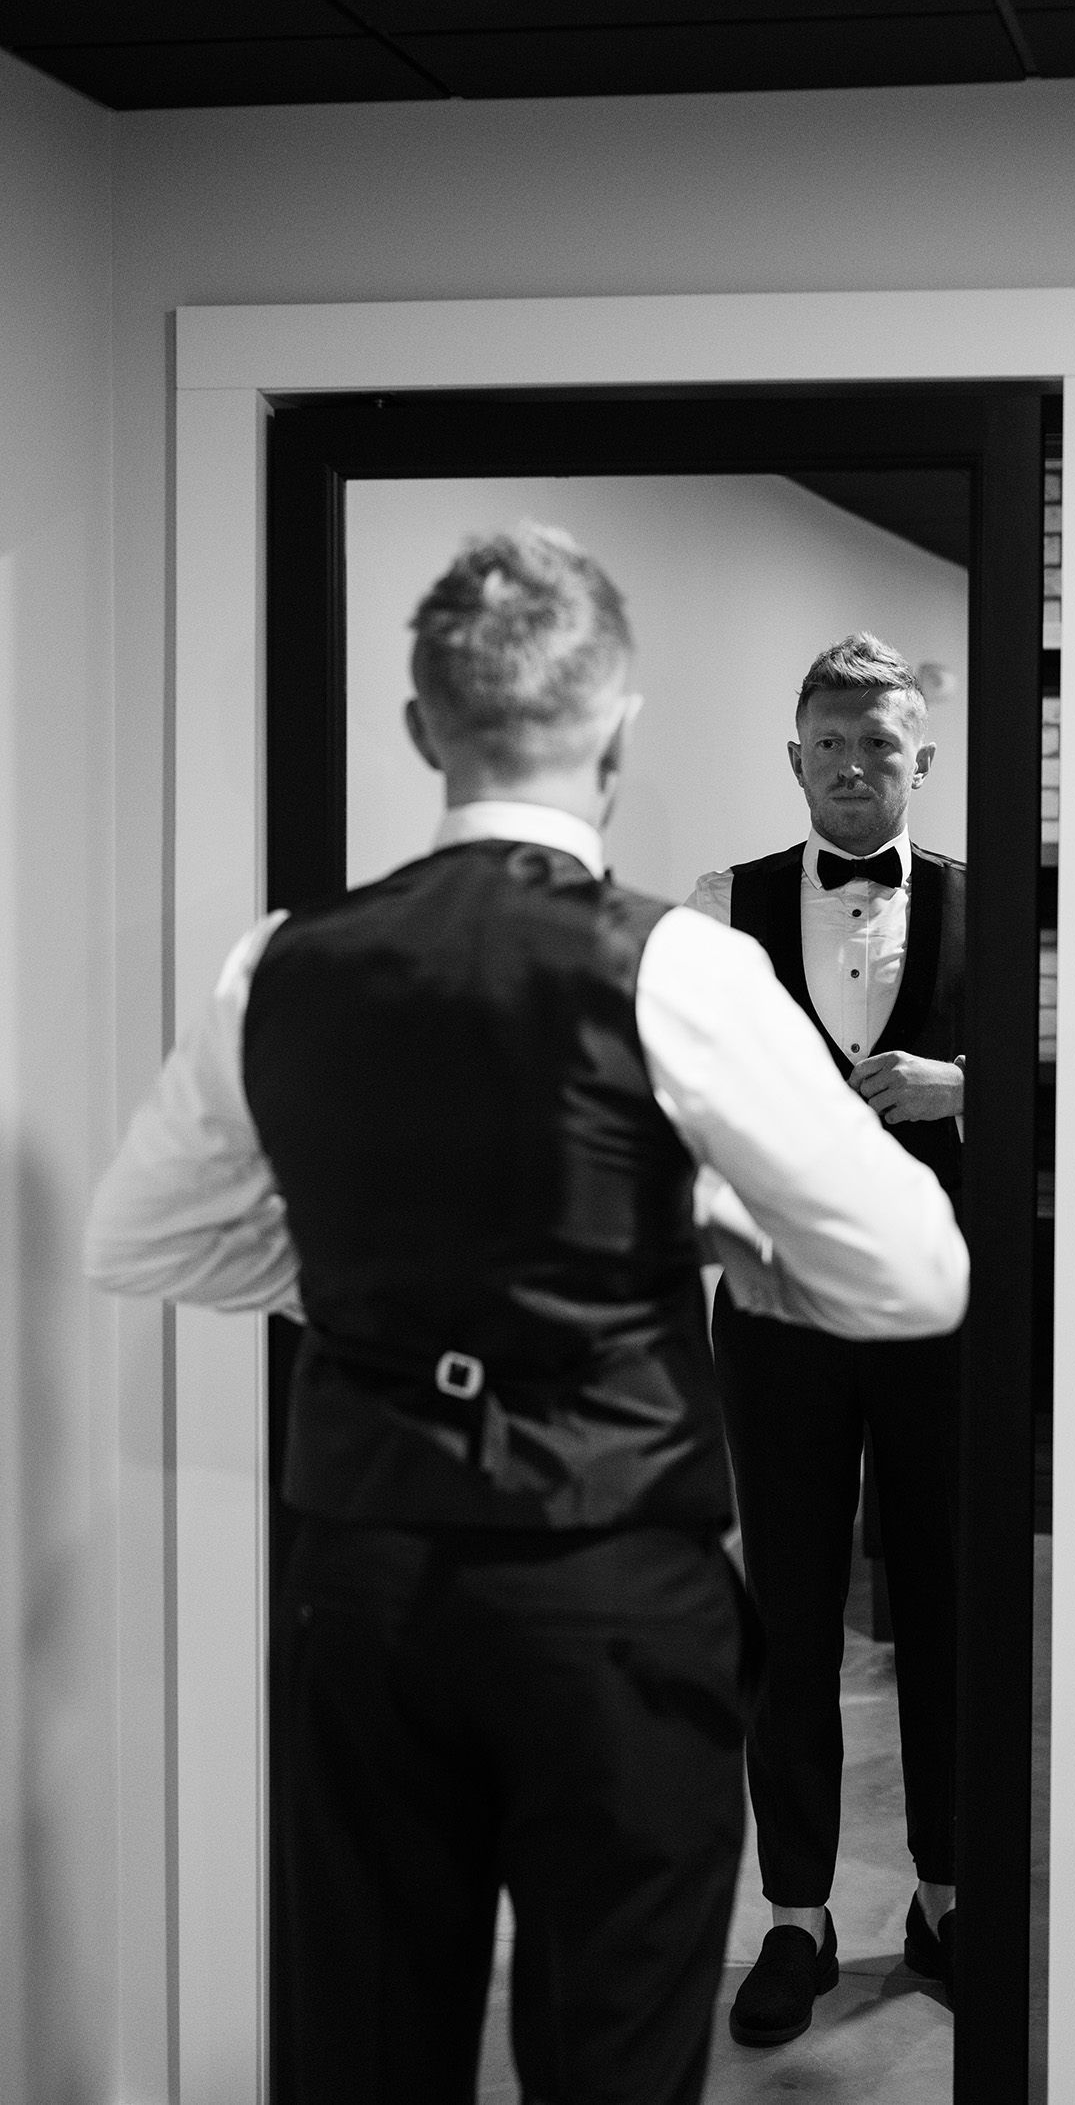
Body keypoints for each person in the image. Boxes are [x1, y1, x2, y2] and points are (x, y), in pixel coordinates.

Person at [85, 535, 967, 2105]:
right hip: (612, 1586)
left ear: (426, 731)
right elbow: (916, 1274)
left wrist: (371, 1298)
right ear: (618, 728)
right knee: (609, 2049)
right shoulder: (686, 960)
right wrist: (720, 1245)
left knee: (367, 2048)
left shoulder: (278, 960)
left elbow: (139, 1234)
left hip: (362, 1584)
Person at [688, 631, 966, 2043]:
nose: (857, 766)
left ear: (925, 757)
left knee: (951, 1610)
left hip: (940, 1316)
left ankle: (947, 1896)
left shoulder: (1003, 905)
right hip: (781, 1319)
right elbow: (668, 1109)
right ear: (795, 757)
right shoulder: (713, 909)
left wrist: (966, 1081)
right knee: (788, 1620)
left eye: (883, 743)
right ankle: (794, 1916)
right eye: (832, 744)